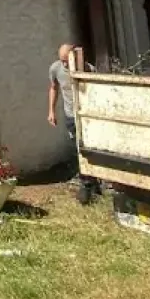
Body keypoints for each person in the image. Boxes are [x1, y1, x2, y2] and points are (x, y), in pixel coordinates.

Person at [48, 42, 98, 203]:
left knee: (89, 147)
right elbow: (53, 88)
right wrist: (51, 111)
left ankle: (90, 181)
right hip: (70, 116)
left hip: (86, 116)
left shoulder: (87, 69)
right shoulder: (55, 69)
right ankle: (87, 180)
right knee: (77, 147)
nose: (64, 64)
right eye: (61, 60)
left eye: (66, 60)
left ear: (74, 56)